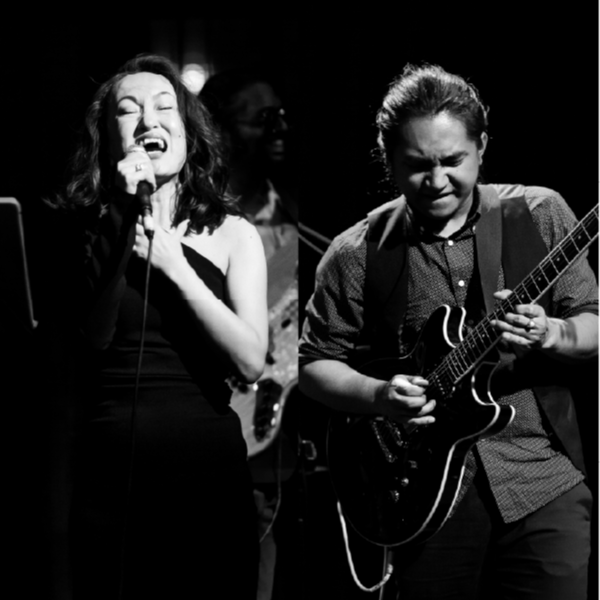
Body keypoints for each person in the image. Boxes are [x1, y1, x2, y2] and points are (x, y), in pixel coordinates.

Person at [299, 63, 600, 600]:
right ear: (388, 158)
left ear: (481, 146)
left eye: (452, 160)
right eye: (417, 165)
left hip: (540, 475)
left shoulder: (540, 212)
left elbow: (594, 323)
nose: (437, 181)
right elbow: (313, 365)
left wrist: (551, 332)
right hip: (423, 495)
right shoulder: (354, 252)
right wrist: (379, 396)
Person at [57, 54, 268, 599]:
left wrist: (176, 267)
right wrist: (122, 216)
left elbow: (250, 361)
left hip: (208, 474)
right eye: (128, 111)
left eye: (163, 107)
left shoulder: (234, 234)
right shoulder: (86, 231)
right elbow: (94, 335)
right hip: (113, 473)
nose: (148, 120)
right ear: (108, 140)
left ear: (187, 132)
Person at [200, 68, 298, 600]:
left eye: (282, 115)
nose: (280, 128)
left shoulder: (295, 220)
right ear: (220, 129)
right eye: (263, 118)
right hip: (209, 427)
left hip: (276, 451)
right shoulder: (196, 223)